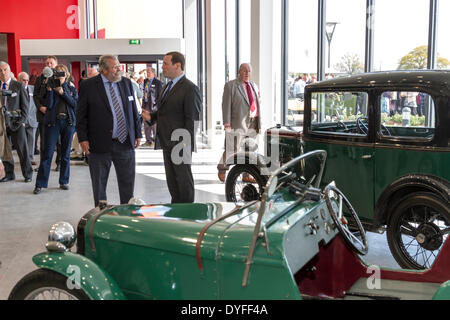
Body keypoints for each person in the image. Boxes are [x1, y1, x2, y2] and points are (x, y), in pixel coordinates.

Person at [76, 54, 142, 207]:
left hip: (125, 142)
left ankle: (126, 214)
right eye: (115, 67)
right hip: (98, 144)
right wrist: (83, 138)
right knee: (99, 184)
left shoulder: (126, 83)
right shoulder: (89, 86)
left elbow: (133, 110)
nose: (119, 69)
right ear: (104, 70)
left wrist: (137, 133)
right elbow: (81, 115)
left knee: (127, 183)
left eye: (119, 66)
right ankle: (100, 215)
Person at [141, 51, 202, 203]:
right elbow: (165, 111)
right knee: (173, 182)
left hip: (180, 143)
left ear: (178, 65)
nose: (163, 67)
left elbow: (192, 119)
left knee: (183, 181)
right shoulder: (167, 86)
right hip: (167, 142)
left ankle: (187, 213)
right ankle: (177, 212)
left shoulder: (189, 88)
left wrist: (185, 145)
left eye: (166, 64)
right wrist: (151, 117)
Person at [33, 64, 78, 194]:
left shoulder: (70, 87)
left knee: (65, 154)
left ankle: (64, 181)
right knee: (47, 154)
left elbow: (74, 104)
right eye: (57, 73)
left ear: (66, 74)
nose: (59, 75)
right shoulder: (50, 87)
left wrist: (63, 91)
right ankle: (40, 184)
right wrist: (50, 89)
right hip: (53, 123)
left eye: (61, 73)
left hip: (68, 123)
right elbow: (49, 105)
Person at [217, 63, 261, 183]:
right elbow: (225, 105)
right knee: (233, 148)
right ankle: (222, 168)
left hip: (253, 122)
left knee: (250, 150)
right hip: (237, 122)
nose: (247, 73)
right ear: (239, 72)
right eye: (244, 71)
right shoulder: (231, 85)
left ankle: (247, 174)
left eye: (249, 71)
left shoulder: (254, 86)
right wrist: (227, 123)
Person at [0, 61, 33, 183]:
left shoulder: (18, 86)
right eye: (0, 71)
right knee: (5, 150)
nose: (3, 73)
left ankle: (28, 174)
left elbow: (25, 106)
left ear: (9, 71)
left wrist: (22, 121)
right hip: (2, 125)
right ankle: (9, 174)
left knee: (22, 149)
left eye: (5, 70)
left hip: (16, 123)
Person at [34, 56, 62, 172]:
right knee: (44, 142)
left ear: (56, 64)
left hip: (56, 114)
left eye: (51, 63)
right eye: (47, 63)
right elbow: (35, 96)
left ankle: (59, 163)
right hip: (43, 114)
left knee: (59, 142)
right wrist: (40, 107)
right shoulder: (40, 78)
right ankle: (43, 165)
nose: (49, 65)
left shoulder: (60, 77)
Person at [18, 72, 39, 165]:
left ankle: (30, 158)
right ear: (19, 80)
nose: (26, 82)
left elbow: (37, 102)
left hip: (32, 119)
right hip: (20, 120)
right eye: (23, 80)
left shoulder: (32, 89)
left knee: (32, 140)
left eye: (27, 80)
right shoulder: (16, 90)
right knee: (22, 141)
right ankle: (23, 159)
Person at [141, 67, 162, 148]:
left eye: (149, 72)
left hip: (153, 107)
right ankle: (148, 141)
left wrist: (157, 106)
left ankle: (155, 141)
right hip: (145, 106)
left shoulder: (158, 83)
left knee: (154, 125)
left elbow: (160, 96)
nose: (147, 74)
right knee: (146, 125)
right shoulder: (145, 81)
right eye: (147, 72)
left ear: (153, 73)